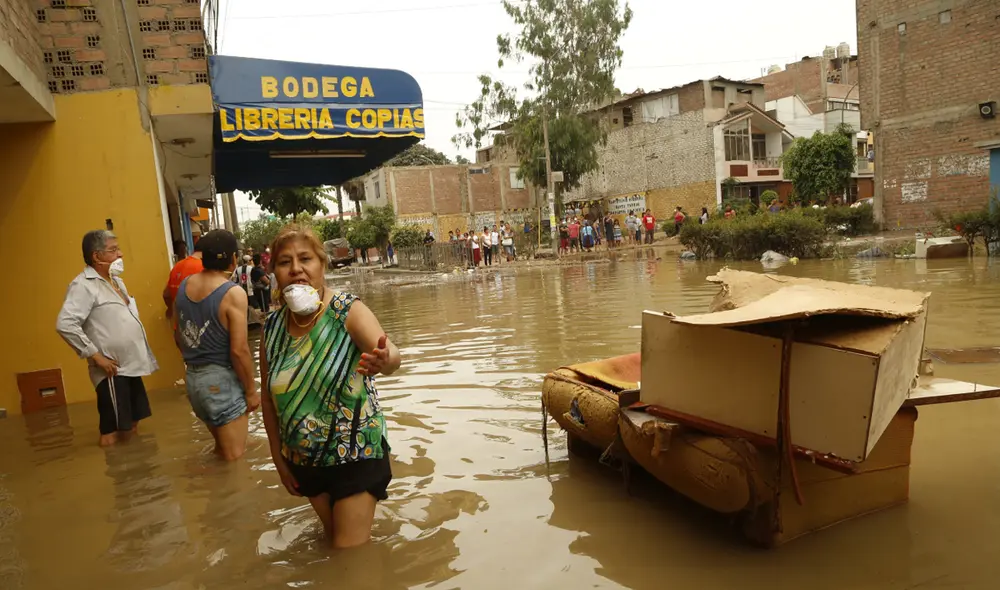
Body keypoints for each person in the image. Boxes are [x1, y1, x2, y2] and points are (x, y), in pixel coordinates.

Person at [260, 224, 400, 549]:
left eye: (305, 259)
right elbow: (268, 399)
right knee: (332, 544)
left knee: (348, 555)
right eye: (284, 262)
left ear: (322, 265)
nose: (296, 269)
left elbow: (391, 354)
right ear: (275, 274)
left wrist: (385, 360)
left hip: (357, 456)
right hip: (305, 463)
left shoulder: (347, 311)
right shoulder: (272, 329)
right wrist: (278, 461)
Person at [56, 230, 158, 447]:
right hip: (112, 370)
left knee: (132, 422)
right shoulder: (83, 285)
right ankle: (119, 472)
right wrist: (95, 356)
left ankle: (135, 467)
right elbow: (66, 324)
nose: (120, 254)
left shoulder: (116, 282)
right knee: (112, 430)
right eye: (113, 250)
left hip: (131, 365)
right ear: (96, 256)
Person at [173, 230, 259, 461]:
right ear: (232, 259)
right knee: (236, 462)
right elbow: (239, 350)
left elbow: (177, 334)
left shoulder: (184, 286)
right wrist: (251, 391)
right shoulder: (233, 293)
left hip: (194, 381)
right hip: (221, 383)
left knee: (221, 453)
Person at [163, 239, 204, 322]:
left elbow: (166, 295)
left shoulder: (177, 266)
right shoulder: (203, 267)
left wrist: (171, 310)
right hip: (198, 326)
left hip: (180, 326)